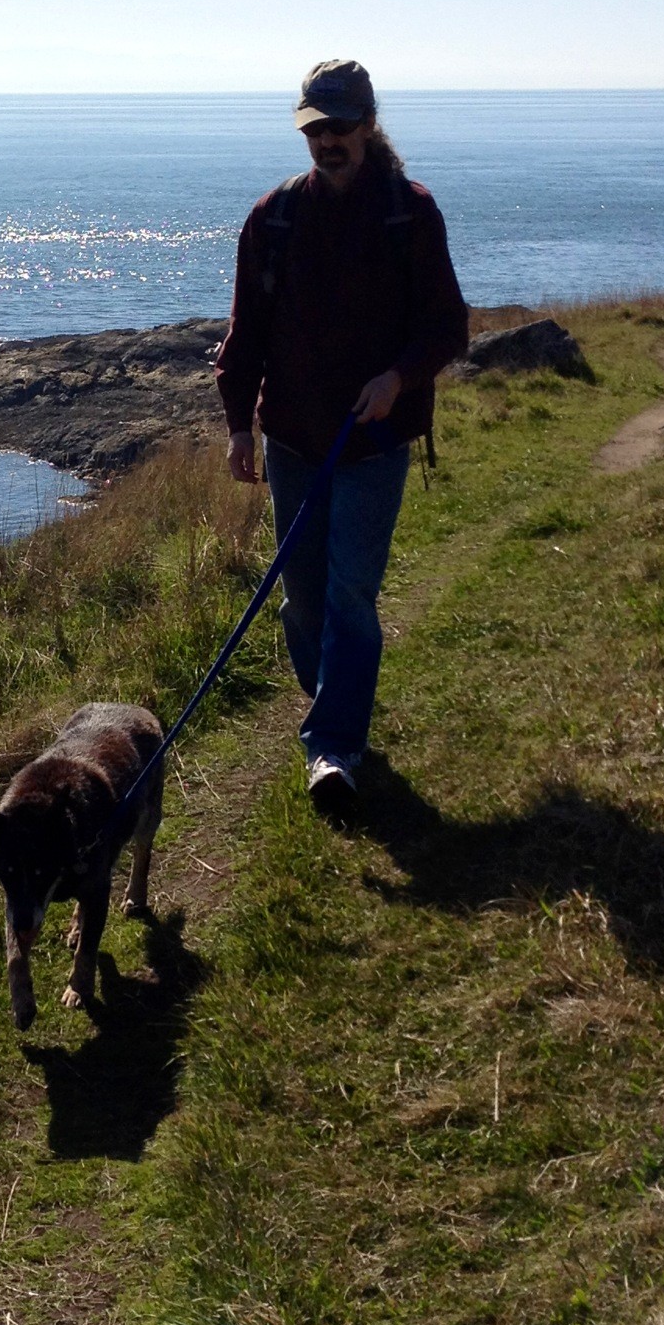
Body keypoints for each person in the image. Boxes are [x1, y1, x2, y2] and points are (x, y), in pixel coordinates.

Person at [214, 60, 469, 809]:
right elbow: (245, 331)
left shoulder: (408, 211)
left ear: (368, 126)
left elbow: (446, 325)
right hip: (290, 437)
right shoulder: (274, 216)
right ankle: (334, 705)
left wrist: (396, 379)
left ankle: (332, 747)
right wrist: (237, 425)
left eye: (339, 127)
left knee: (351, 592)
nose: (326, 141)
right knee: (303, 598)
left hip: (372, 442)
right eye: (314, 129)